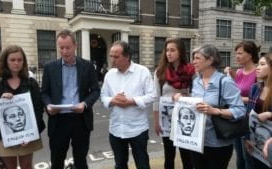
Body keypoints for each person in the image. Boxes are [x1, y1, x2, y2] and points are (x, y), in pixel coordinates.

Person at [41, 29, 100, 169]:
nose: (64, 51)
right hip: (58, 120)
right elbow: (44, 93)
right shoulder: (50, 68)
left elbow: (96, 91)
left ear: (75, 46)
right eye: (61, 48)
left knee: (80, 161)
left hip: (80, 119)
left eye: (68, 47)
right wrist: (48, 106)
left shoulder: (87, 66)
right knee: (56, 161)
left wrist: (85, 104)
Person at [0, 45, 45, 169]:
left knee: (27, 166)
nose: (16, 63)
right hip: (4, 137)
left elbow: (38, 111)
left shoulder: (31, 83)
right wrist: (0, 102)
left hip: (28, 137)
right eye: (12, 60)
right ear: (5, 62)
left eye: (20, 60)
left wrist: (33, 133)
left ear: (24, 62)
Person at [100, 41, 155, 169]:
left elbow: (152, 95)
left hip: (138, 129)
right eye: (111, 56)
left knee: (142, 165)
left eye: (116, 56)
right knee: (120, 165)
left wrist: (131, 101)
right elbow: (103, 97)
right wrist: (114, 100)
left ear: (127, 57)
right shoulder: (109, 75)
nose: (112, 60)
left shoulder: (142, 72)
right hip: (116, 128)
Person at [190, 44, 245, 169]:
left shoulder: (225, 82)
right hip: (196, 141)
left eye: (198, 58)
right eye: (194, 58)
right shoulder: (196, 81)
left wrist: (215, 111)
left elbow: (240, 110)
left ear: (210, 60)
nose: (194, 62)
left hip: (218, 143)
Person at [153, 38, 195, 169]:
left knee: (186, 155)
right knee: (169, 155)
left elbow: (197, 94)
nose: (169, 53)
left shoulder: (191, 72)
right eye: (167, 50)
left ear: (181, 52)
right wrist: (156, 121)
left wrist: (184, 96)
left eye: (172, 50)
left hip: (185, 119)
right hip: (167, 120)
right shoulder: (159, 72)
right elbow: (156, 98)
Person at [224, 41, 259, 169]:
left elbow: (257, 99)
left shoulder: (257, 73)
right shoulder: (238, 72)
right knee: (239, 154)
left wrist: (239, 99)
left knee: (248, 156)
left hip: (248, 118)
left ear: (250, 55)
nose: (236, 56)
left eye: (240, 53)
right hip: (236, 117)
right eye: (236, 53)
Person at [244, 53, 272, 169]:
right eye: (258, 64)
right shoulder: (255, 88)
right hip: (256, 141)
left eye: (262, 64)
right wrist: (247, 138)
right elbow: (249, 115)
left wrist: (270, 114)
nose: (258, 67)